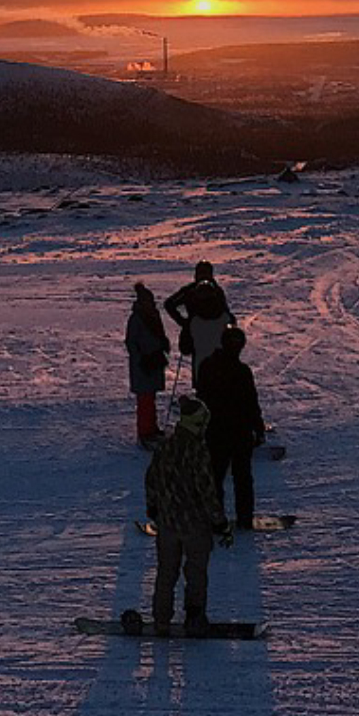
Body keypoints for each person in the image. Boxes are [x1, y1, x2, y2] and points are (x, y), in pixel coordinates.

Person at [144, 395, 232, 635]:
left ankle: (161, 619)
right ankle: (194, 618)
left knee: (166, 572)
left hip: (167, 523)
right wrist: (220, 522)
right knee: (195, 573)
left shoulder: (164, 447)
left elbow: (151, 480)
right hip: (195, 525)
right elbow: (207, 490)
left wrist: (153, 507)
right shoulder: (197, 450)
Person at [197, 325, 266, 531]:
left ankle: (216, 518)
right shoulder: (241, 371)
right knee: (241, 477)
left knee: (216, 476)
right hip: (238, 431)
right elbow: (251, 403)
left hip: (217, 430)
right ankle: (244, 518)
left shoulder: (207, 366)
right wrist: (258, 428)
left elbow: (202, 398)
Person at [164, 260, 234, 389]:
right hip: (204, 335)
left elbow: (169, 304)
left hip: (202, 335)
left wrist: (185, 323)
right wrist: (184, 322)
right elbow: (169, 304)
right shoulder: (208, 291)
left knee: (202, 367)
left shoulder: (209, 291)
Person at [124, 282, 170, 445]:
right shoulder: (136, 319)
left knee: (150, 398)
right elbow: (131, 342)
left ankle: (151, 427)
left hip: (154, 361)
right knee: (145, 399)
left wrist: (164, 344)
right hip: (143, 365)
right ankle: (145, 431)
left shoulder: (154, 315)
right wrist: (141, 358)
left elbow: (160, 334)